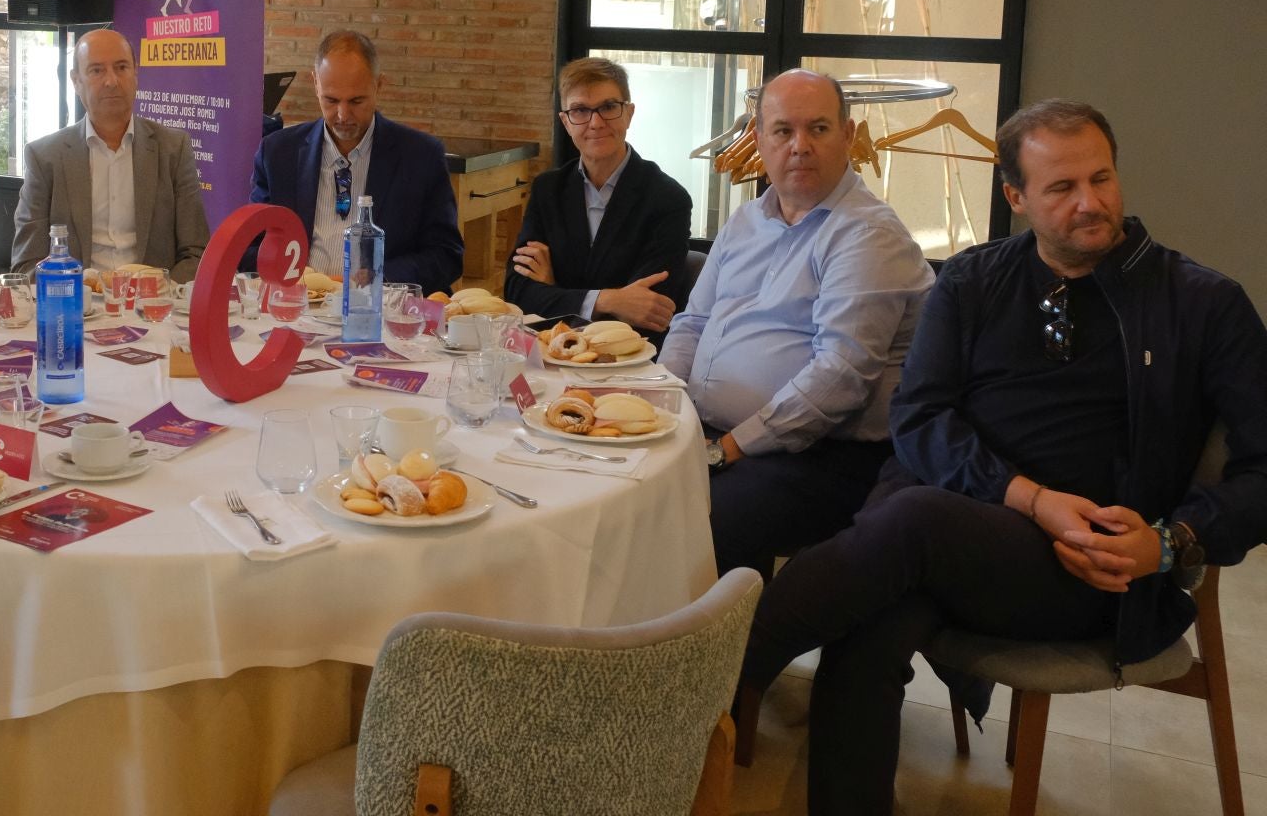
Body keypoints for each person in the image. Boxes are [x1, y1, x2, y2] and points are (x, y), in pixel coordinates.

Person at [737, 100, 1267, 816]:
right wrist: (1028, 495)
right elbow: (919, 418)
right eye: (1061, 189)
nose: (1091, 203)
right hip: (950, 534)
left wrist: (1170, 545)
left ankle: (712, 681)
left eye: (1101, 179)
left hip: (1089, 566)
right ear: (1015, 197)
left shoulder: (1202, 303)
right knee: (873, 623)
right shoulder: (973, 281)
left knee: (909, 524)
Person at [662, 69, 934, 577]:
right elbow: (693, 322)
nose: (800, 146)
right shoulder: (746, 221)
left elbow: (840, 376)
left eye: (819, 129)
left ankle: (718, 650)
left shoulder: (868, 234)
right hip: (718, 435)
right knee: (622, 489)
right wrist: (664, 407)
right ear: (759, 139)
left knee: (698, 518)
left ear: (849, 136)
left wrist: (728, 449)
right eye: (783, 131)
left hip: (824, 454)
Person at [249, 30, 464, 295]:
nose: (342, 115)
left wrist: (377, 279)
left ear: (378, 85)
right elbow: (255, 244)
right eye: (331, 100)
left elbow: (446, 255)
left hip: (382, 309)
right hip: (298, 305)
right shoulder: (278, 153)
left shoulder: (420, 156)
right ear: (315, 83)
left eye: (356, 101)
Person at [504, 57, 692, 332]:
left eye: (608, 107)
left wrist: (555, 290)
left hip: (626, 362)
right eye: (580, 110)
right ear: (565, 122)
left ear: (629, 113)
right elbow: (516, 292)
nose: (595, 122)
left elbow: (649, 312)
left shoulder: (667, 199)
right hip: (551, 353)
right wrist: (609, 299)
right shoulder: (548, 190)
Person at [12, 28, 210, 282]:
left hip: (152, 308)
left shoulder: (173, 149)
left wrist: (159, 291)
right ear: (75, 81)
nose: (111, 80)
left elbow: (197, 254)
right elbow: (26, 265)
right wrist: (81, 291)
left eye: (121, 67)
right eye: (96, 70)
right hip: (77, 306)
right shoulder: (45, 157)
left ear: (136, 74)